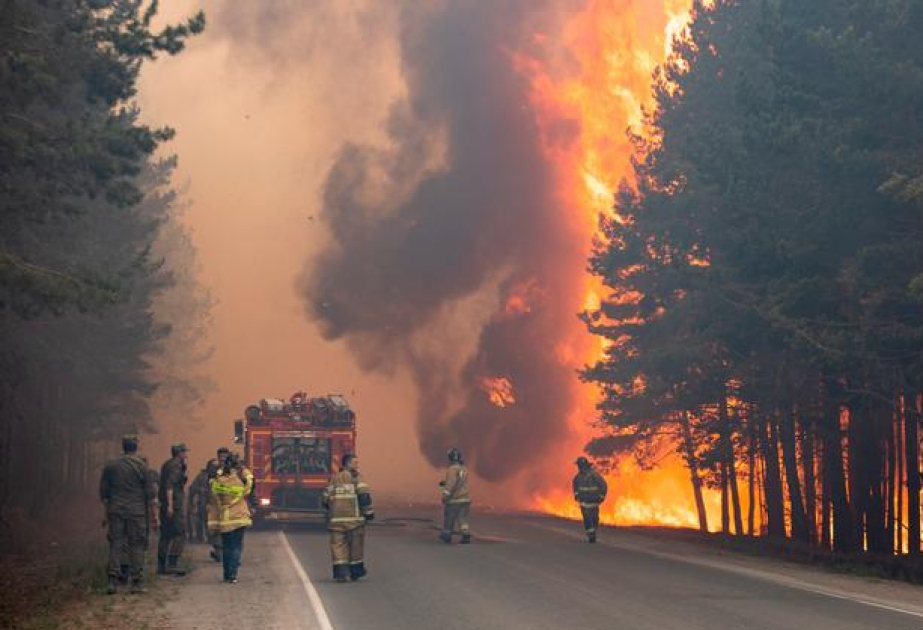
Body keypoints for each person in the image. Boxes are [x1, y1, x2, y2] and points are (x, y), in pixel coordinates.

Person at [99, 435, 159, 594]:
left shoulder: (111, 466)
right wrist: (153, 517)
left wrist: (107, 513)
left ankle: (112, 581)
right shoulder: (143, 467)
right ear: (136, 448)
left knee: (116, 544)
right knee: (137, 545)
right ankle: (136, 582)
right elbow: (151, 494)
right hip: (137, 512)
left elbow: (104, 492)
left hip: (116, 510)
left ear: (123, 446)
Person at [323, 453, 373, 582]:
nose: (357, 466)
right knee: (355, 547)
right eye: (355, 463)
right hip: (354, 521)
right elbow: (364, 498)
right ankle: (355, 572)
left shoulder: (334, 479)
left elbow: (324, 499)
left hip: (336, 522)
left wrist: (332, 511)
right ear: (348, 464)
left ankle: (341, 573)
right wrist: (369, 514)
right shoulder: (357, 479)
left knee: (338, 547)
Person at [208, 452, 253, 583]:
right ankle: (233, 575)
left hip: (225, 520)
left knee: (226, 548)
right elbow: (250, 482)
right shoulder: (240, 482)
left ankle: (226, 575)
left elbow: (213, 496)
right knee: (236, 547)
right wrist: (243, 469)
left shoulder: (218, 482)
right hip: (239, 518)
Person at [158, 443, 190, 575]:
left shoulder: (167, 464)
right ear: (180, 453)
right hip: (173, 505)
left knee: (165, 534)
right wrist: (171, 506)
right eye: (184, 452)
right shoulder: (176, 466)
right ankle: (172, 563)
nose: (186, 455)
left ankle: (161, 565)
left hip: (165, 504)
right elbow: (170, 485)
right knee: (180, 533)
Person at [439, 448, 471, 544]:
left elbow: (451, 484)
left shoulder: (452, 469)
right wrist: (446, 482)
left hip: (454, 500)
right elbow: (459, 481)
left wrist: (445, 496)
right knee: (462, 519)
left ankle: (447, 536)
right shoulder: (464, 469)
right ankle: (466, 534)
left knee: (449, 518)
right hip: (465, 499)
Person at [572, 456, 608, 543]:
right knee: (588, 519)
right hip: (584, 503)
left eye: (581, 465)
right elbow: (575, 487)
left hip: (594, 502)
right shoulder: (577, 477)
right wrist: (577, 495)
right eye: (579, 465)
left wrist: (601, 496)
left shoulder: (595, 475)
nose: (580, 467)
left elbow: (603, 485)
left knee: (595, 519)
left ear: (585, 465)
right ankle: (591, 536)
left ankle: (593, 531)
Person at [207, 447, 230, 562]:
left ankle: (227, 554)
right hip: (215, 502)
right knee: (216, 529)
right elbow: (209, 485)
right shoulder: (213, 469)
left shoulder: (232, 468)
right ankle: (218, 553)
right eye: (221, 456)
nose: (223, 459)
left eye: (225, 456)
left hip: (229, 503)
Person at [186, 464, 210, 544]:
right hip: (203, 502)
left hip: (212, 502)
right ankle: (200, 537)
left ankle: (208, 538)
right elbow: (193, 488)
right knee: (201, 519)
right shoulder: (202, 476)